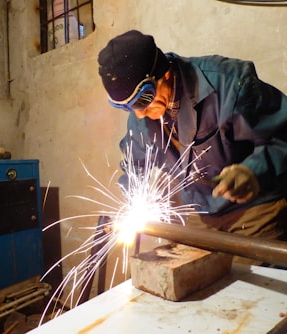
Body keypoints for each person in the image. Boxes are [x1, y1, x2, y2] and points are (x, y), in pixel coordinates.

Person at [97, 30, 287, 249]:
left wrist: (254, 170)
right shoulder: (140, 116)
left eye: (143, 100)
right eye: (127, 107)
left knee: (256, 282)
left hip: (255, 209)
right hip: (202, 214)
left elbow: (282, 134)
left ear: (164, 74)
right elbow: (134, 166)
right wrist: (132, 203)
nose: (139, 114)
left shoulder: (227, 83)